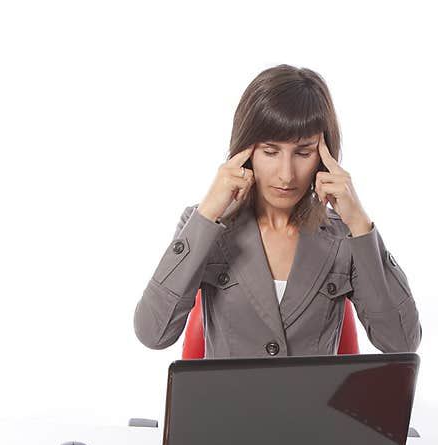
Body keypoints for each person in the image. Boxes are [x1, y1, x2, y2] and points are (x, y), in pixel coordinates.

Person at [134, 64, 421, 358]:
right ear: (246, 151)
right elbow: (153, 333)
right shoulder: (206, 223)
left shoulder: (342, 234)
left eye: (303, 153)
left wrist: (360, 224)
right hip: (226, 404)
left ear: (324, 158)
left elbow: (401, 341)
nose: (286, 174)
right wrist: (208, 212)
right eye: (270, 152)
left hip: (313, 404)